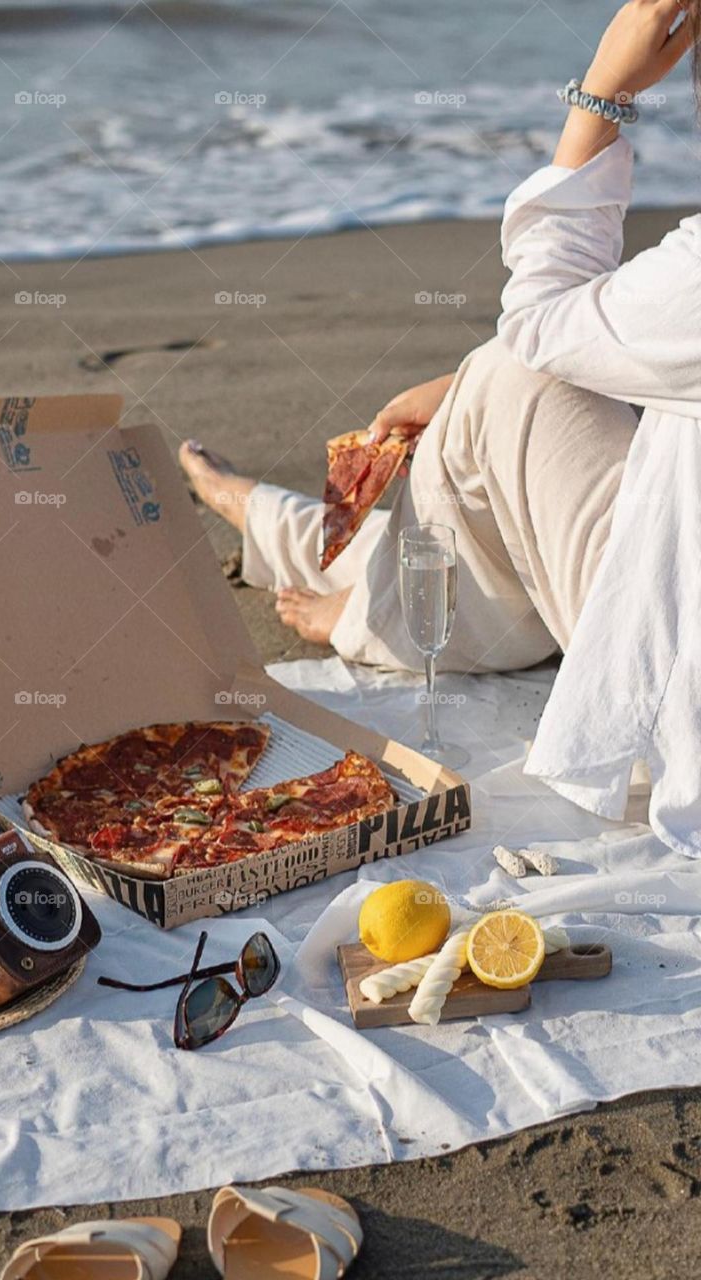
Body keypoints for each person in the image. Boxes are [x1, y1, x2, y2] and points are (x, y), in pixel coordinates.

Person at [181, 0, 701, 855]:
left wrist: (603, 92)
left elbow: (540, 321)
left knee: (509, 374)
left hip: (668, 719)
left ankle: (357, 599)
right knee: (502, 379)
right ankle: (320, 548)